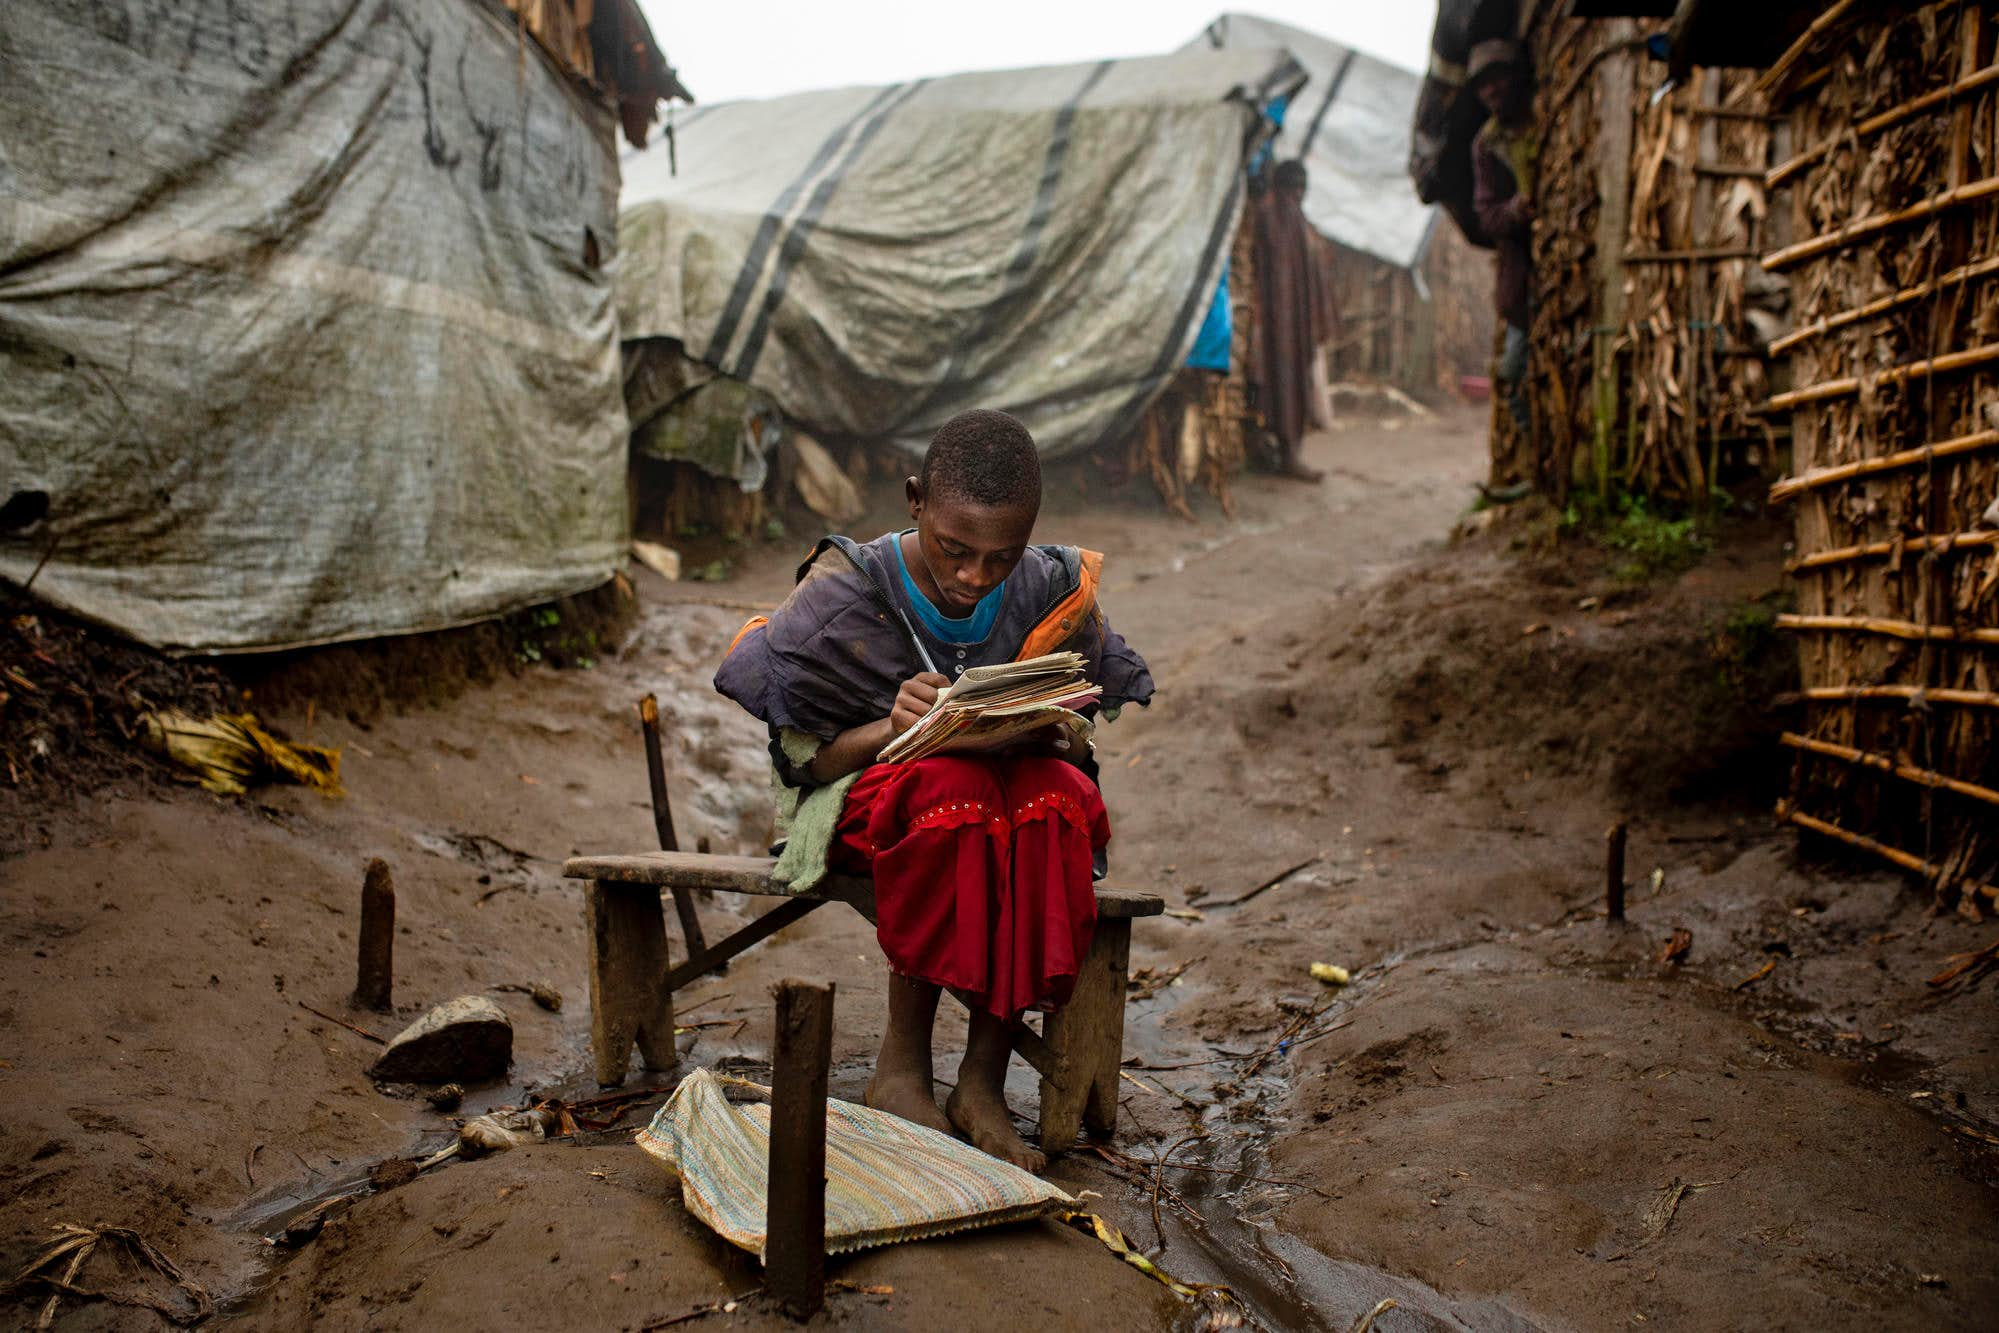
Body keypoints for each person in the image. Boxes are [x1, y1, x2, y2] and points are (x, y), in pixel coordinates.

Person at [714, 408, 1153, 1170]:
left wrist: (1052, 730)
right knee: (954, 784)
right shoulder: (843, 591)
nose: (973, 576)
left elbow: (1082, 712)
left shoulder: (1050, 587)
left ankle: (981, 1080)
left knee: (1054, 794)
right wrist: (889, 730)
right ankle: (901, 1069)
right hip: (868, 804)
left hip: (1005, 794)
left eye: (1000, 556)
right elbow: (804, 764)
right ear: (914, 498)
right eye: (955, 549)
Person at [1469, 38, 1538, 475]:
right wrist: (1517, 211)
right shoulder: (1486, 145)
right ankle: (1538, 463)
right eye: (1483, 85)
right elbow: (1486, 215)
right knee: (1514, 372)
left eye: (1499, 79)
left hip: (1563, 267)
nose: (1493, 91)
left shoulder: (1546, 120)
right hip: (1522, 279)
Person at [1252, 158, 1337, 482]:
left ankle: (1288, 451)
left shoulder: (1294, 218)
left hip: (1293, 324)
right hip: (1277, 323)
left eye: (1303, 188)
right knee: (1278, 386)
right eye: (1296, 187)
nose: (1299, 194)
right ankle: (1285, 453)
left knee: (1292, 385)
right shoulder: (1272, 214)